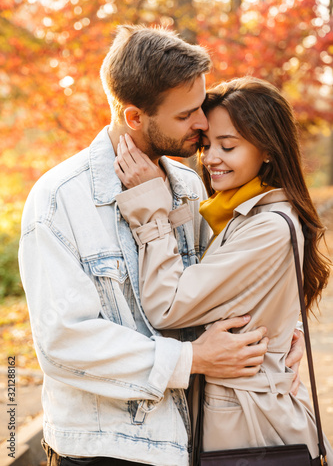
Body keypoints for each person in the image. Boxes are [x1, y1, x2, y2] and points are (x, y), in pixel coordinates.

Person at [19, 26, 303, 466]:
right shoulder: (60, 200)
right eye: (187, 114)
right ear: (135, 118)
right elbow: (63, 343)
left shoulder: (189, 186)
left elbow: (226, 284)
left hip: (189, 442)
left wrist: (285, 331)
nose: (203, 123)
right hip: (106, 451)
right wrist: (189, 359)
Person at [114, 76, 333, 463]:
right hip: (239, 416)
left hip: (251, 426)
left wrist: (149, 208)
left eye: (227, 146)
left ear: (267, 150)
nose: (211, 158)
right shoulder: (238, 214)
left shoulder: (266, 226)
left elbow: (168, 306)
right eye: (207, 145)